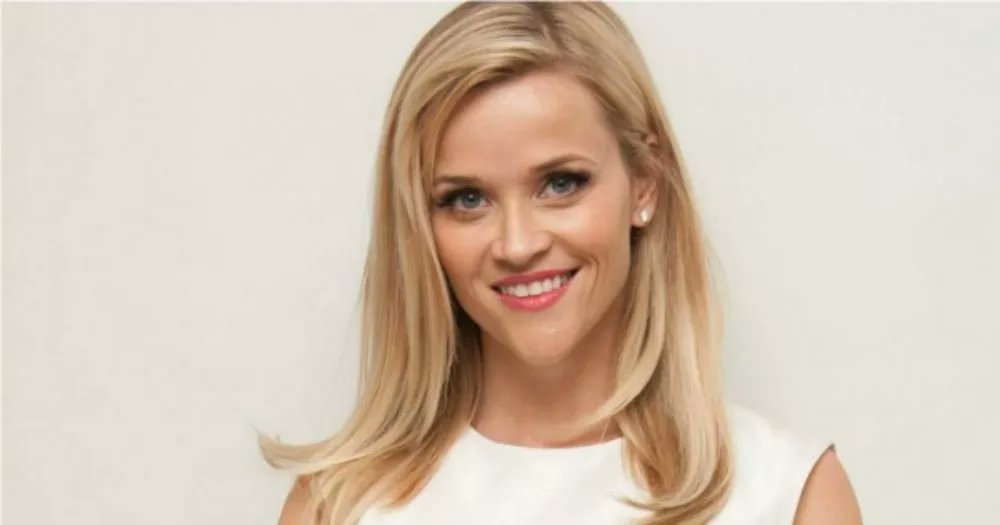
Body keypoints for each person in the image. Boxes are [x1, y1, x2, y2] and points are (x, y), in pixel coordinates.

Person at [259, 2, 862, 524]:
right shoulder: (337, 507)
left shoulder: (787, 495)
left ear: (645, 182)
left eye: (561, 183)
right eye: (466, 199)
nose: (517, 243)